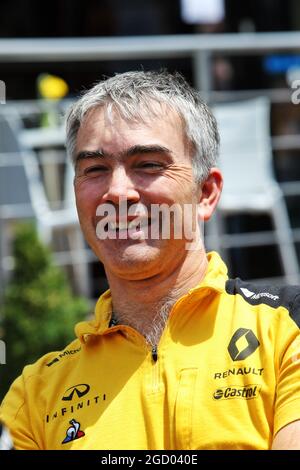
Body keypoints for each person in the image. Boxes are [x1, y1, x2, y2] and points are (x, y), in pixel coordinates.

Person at [1, 70, 300, 450]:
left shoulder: (288, 331)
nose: (118, 192)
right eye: (95, 169)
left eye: (148, 165)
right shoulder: (34, 395)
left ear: (205, 193)